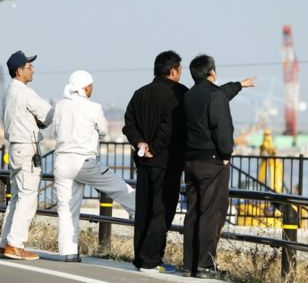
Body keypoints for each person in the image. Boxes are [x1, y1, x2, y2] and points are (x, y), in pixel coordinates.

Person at [183, 54, 255, 278]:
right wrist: (226, 154)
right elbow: (222, 128)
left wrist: (239, 85)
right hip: (212, 161)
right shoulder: (214, 96)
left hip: (191, 161)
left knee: (193, 212)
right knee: (212, 213)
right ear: (212, 72)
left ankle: (190, 265)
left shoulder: (189, 95)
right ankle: (205, 266)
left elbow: (219, 94)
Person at [54, 70, 135, 263]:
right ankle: (139, 210)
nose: (92, 89)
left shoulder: (60, 105)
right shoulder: (93, 107)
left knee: (66, 209)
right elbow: (104, 131)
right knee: (117, 186)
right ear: (86, 87)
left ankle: (68, 252)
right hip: (84, 162)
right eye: (91, 85)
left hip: (62, 161)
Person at [122, 50, 187, 274]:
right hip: (167, 162)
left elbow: (128, 123)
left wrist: (141, 143)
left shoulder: (140, 93)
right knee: (162, 211)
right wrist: (156, 148)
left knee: (144, 210)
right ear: (173, 70)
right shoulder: (179, 94)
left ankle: (140, 258)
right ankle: (151, 260)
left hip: (143, 162)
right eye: (180, 69)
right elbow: (171, 127)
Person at [0, 50, 52, 261]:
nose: (32, 69)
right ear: (19, 71)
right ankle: (15, 245)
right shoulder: (25, 92)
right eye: (29, 66)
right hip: (27, 148)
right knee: (28, 198)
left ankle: (3, 243)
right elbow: (48, 115)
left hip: (15, 148)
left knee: (17, 198)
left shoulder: (9, 92)